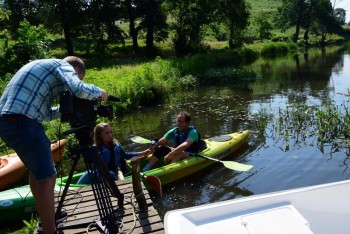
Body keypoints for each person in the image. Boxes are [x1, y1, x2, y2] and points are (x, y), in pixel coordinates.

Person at [0, 56, 109, 234]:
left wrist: (68, 108)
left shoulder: (40, 66)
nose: (70, 85)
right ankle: (49, 230)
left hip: (8, 123)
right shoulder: (63, 65)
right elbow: (78, 88)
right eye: (77, 77)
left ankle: (46, 220)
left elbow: (45, 114)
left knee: (38, 174)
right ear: (76, 71)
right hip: (23, 123)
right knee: (48, 177)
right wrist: (99, 92)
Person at [77, 122, 150, 184]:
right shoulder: (96, 148)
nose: (109, 135)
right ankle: (77, 188)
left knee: (111, 174)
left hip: (113, 174)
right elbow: (94, 166)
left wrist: (142, 153)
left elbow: (125, 155)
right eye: (106, 133)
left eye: (110, 132)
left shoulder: (116, 144)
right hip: (101, 175)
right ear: (99, 135)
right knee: (88, 173)